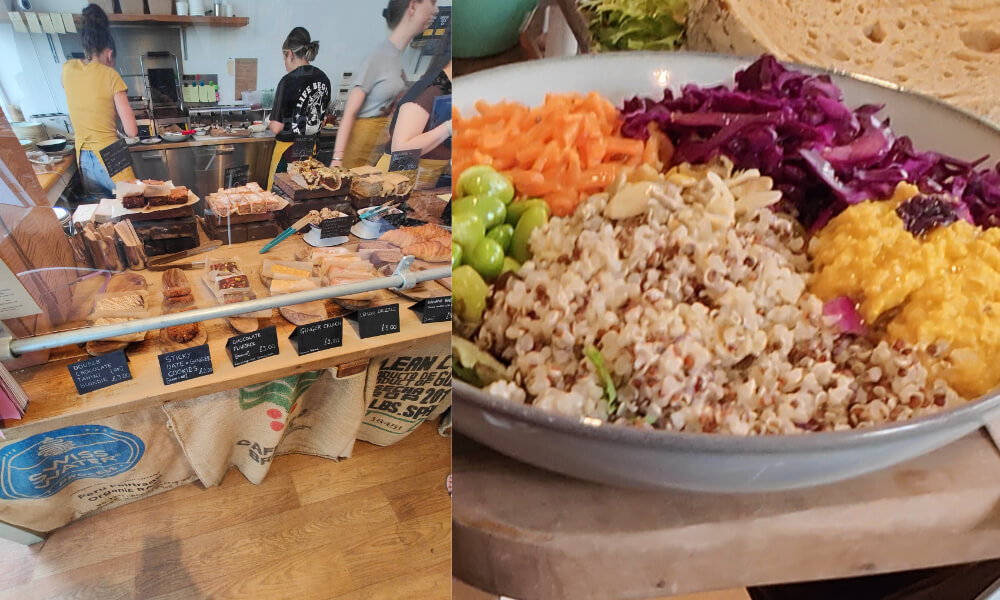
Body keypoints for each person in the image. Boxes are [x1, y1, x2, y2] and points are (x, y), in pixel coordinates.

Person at [330, 0, 438, 169]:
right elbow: (350, 112)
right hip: (358, 149)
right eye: (432, 2)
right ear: (412, 7)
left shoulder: (398, 57)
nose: (436, 10)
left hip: (376, 150)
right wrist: (337, 158)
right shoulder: (379, 54)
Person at [61, 3, 138, 199]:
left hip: (83, 158)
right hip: (112, 155)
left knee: (103, 212)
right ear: (110, 54)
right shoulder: (110, 75)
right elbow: (132, 131)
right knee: (132, 206)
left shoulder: (68, 69)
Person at [379, 26, 452, 189]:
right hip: (395, 185)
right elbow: (401, 150)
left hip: (426, 185)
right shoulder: (433, 88)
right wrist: (449, 127)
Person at [266, 27, 332, 190]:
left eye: (284, 58)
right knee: (304, 193)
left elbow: (276, 127)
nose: (284, 63)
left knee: (280, 195)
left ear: (289, 54)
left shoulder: (288, 81)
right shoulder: (324, 79)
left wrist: (268, 121)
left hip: (287, 153)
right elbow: (322, 120)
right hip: (310, 150)